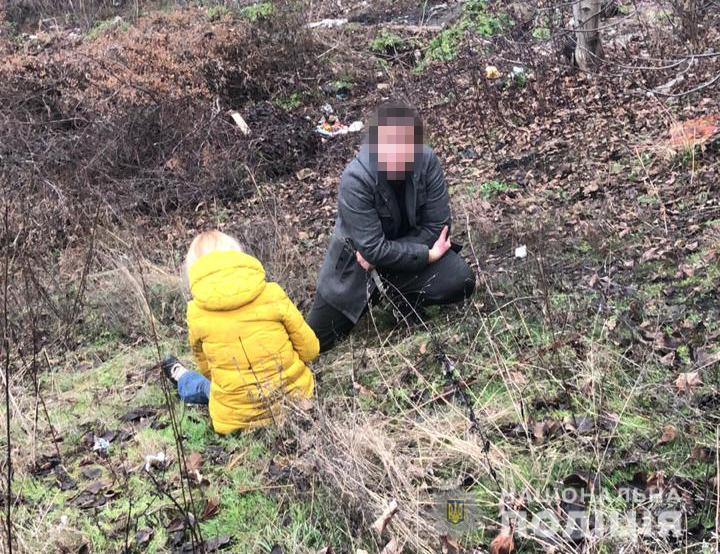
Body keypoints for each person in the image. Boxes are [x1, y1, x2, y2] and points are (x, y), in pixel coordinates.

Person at [307, 102, 475, 352]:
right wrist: (426, 255)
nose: (400, 157)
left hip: (401, 260)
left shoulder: (426, 161)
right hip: (356, 272)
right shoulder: (356, 179)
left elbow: (438, 226)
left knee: (461, 280)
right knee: (314, 345)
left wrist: (393, 255)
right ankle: (385, 294)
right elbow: (371, 248)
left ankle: (400, 297)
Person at [162, 230, 319, 434]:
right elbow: (311, 350)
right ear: (237, 255)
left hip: (236, 419)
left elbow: (208, 371)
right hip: (295, 400)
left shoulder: (196, 312)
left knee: (203, 385)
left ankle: (180, 376)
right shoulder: (271, 293)